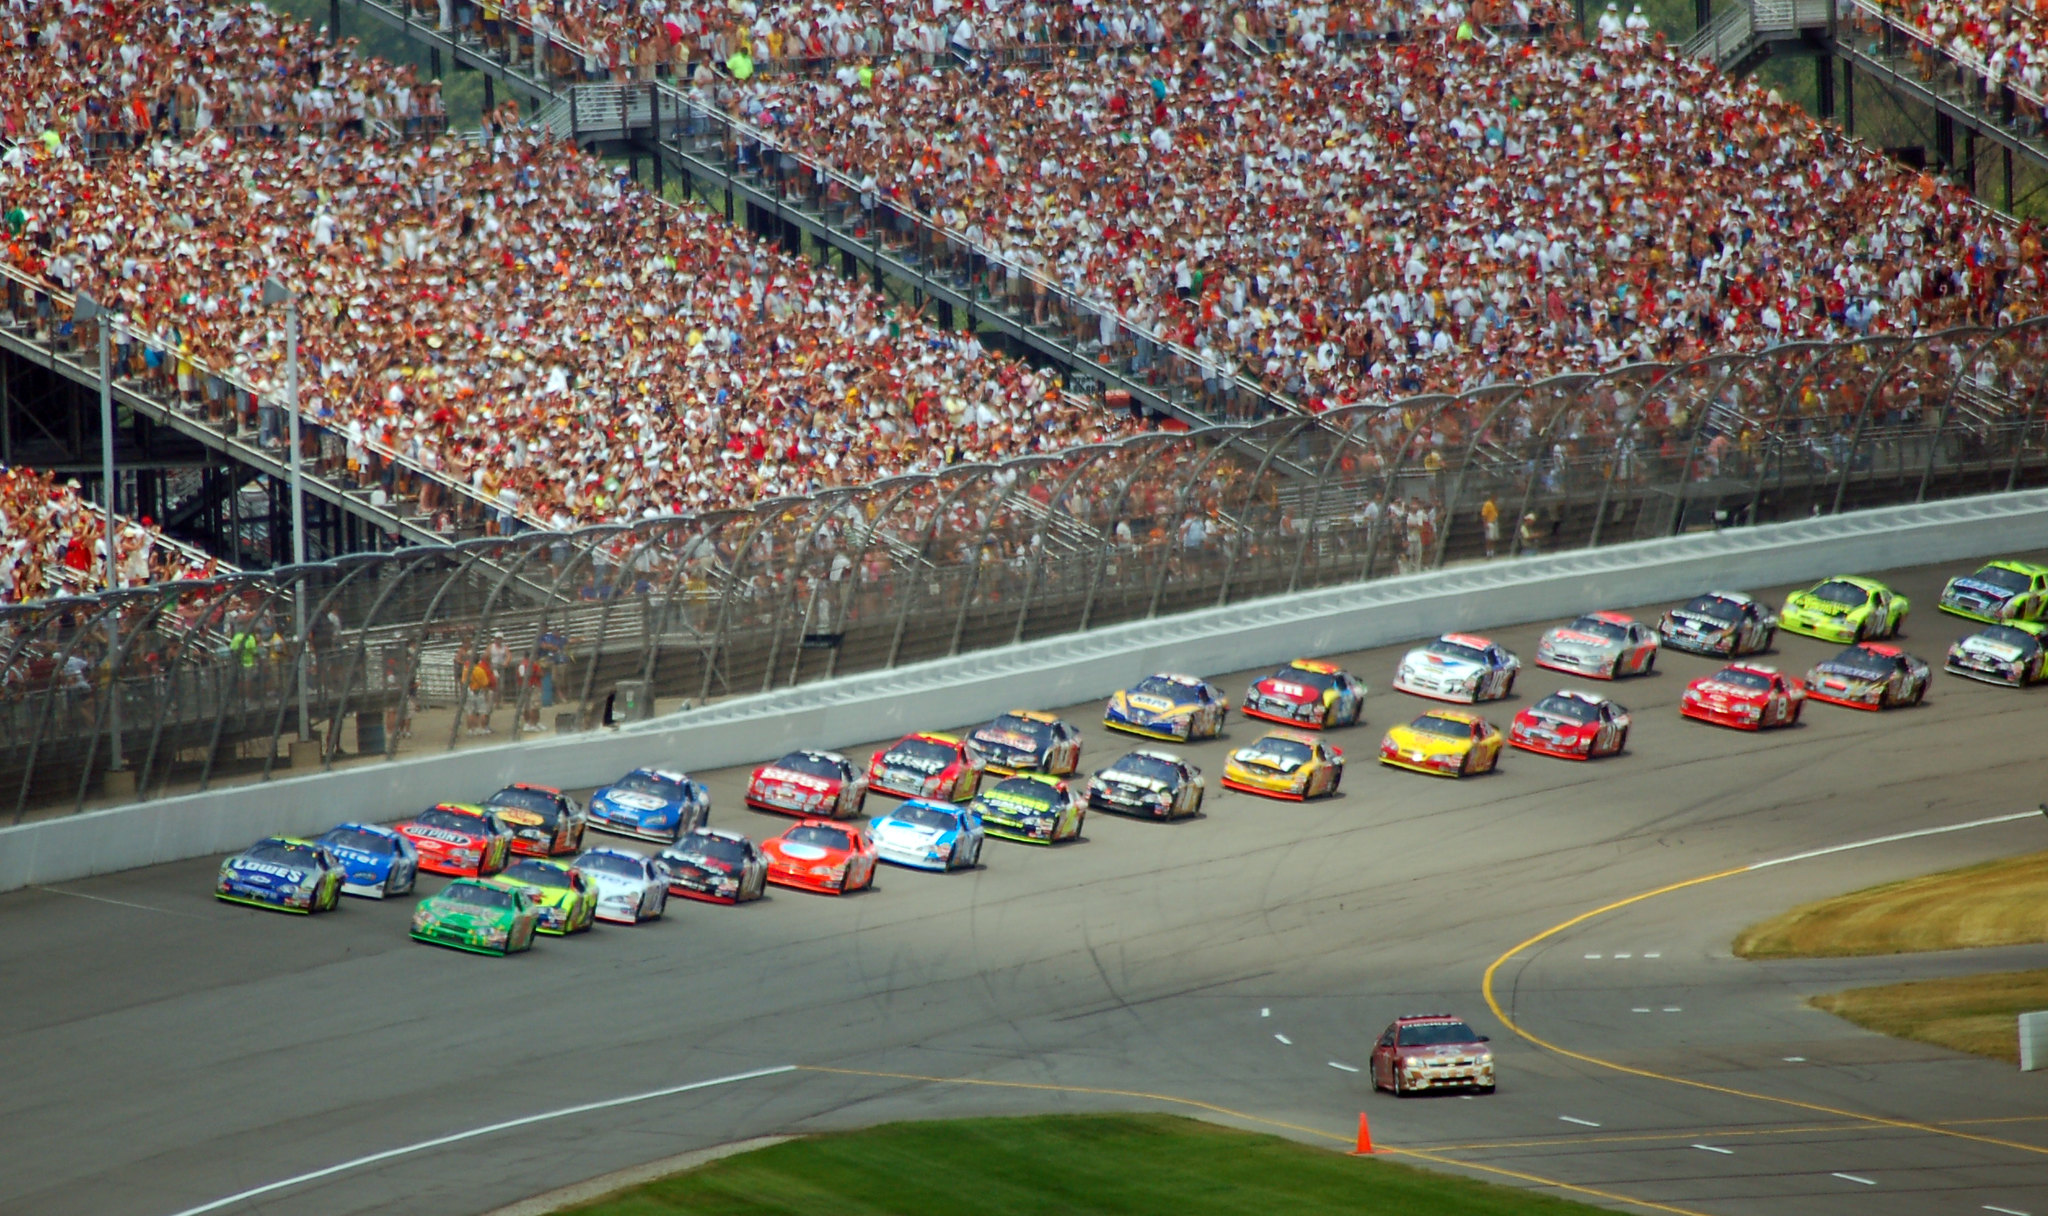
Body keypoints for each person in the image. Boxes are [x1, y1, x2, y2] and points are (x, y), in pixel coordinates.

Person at [464, 657, 495, 736]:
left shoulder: (466, 670)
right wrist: (486, 693)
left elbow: (463, 682)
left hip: (470, 690)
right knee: (482, 711)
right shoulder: (480, 670)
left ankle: (471, 729)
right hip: (479, 691)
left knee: (470, 712)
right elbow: (485, 683)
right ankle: (482, 728)